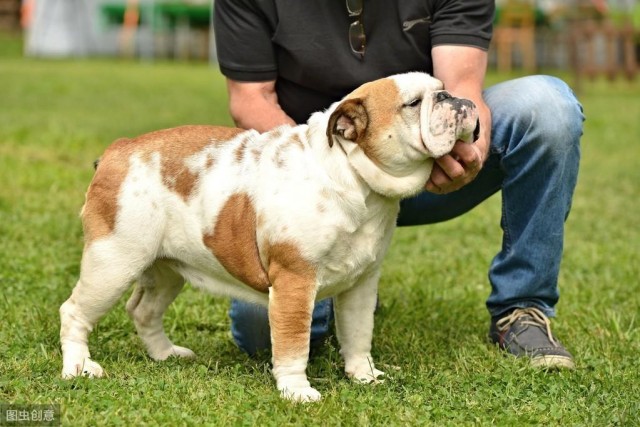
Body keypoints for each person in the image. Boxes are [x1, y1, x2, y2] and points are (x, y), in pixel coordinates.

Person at [213, 0, 584, 369]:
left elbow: (461, 87)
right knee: (261, 334)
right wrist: (322, 177)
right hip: (316, 186)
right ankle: (345, 274)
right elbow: (251, 99)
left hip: (426, 167)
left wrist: (468, 146)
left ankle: (522, 308)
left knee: (547, 109)